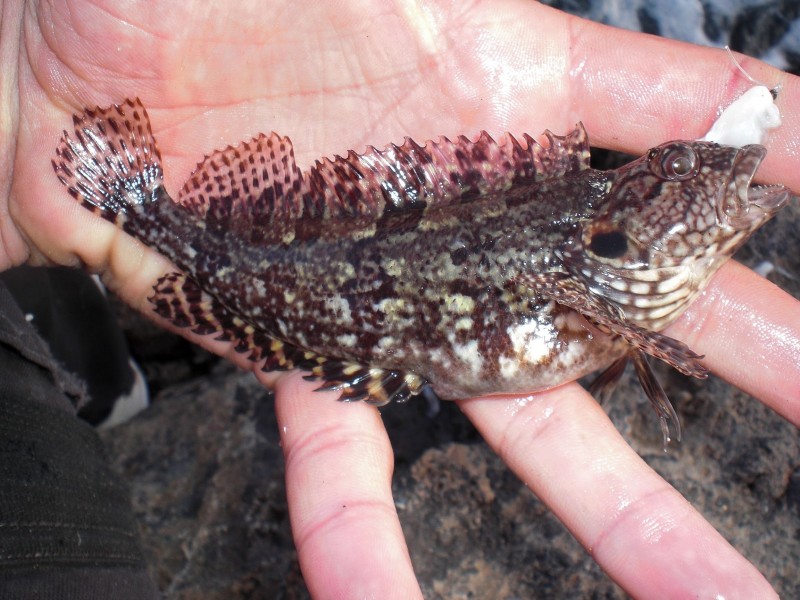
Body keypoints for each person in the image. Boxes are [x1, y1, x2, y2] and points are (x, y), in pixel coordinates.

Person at [1, 1, 798, 598]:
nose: (724, 182)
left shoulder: (599, 247)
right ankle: (136, 224)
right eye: (677, 180)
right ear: (613, 244)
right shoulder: (594, 267)